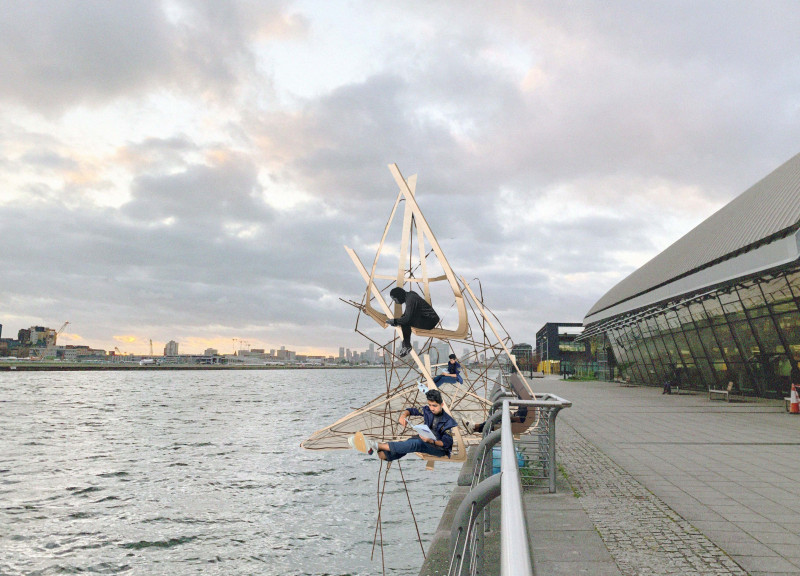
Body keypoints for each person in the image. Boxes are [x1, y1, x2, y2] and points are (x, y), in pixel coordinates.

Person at [348, 389, 457, 461]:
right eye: (430, 405)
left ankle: (375, 445)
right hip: (424, 440)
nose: (432, 408)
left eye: (435, 406)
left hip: (439, 449)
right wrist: (403, 416)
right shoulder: (427, 410)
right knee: (402, 447)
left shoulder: (448, 421)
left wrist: (430, 441)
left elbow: (446, 443)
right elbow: (411, 410)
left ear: (441, 404)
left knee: (416, 443)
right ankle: (376, 451)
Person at [386, 287, 440, 357]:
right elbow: (408, 314)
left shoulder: (410, 300)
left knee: (405, 322)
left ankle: (407, 346)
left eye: (395, 299)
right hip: (429, 318)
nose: (395, 302)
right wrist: (397, 321)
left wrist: (395, 321)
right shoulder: (410, 295)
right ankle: (406, 345)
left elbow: (407, 319)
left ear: (399, 296)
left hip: (430, 321)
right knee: (404, 320)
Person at [461, 405, 528, 434]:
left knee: (498, 417)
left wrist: (510, 416)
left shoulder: (527, 408)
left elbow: (520, 420)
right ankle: (475, 427)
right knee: (498, 416)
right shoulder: (526, 406)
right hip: (517, 421)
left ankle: (474, 427)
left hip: (516, 425)